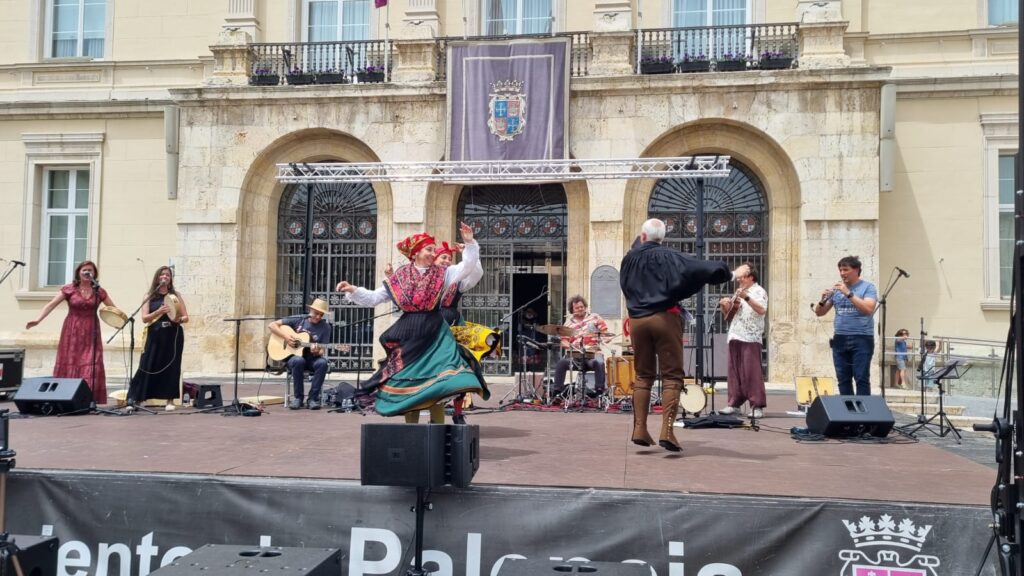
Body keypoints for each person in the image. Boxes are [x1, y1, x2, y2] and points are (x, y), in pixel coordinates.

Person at [335, 223, 489, 423]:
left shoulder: (444, 273)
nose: (433, 254)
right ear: (416, 253)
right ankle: (413, 434)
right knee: (410, 384)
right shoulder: (400, 276)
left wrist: (469, 242)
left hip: (435, 331)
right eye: (429, 250)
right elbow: (375, 298)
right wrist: (352, 290)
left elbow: (467, 267)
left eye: (434, 250)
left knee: (439, 381)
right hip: (409, 332)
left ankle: (438, 432)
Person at [619, 219, 732, 452]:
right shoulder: (667, 256)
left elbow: (625, 286)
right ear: (662, 239)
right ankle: (667, 431)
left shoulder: (628, 260)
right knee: (672, 376)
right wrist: (726, 273)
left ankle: (639, 428)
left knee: (643, 375)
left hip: (637, 321)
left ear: (642, 236)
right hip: (664, 317)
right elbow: (699, 268)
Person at [25, 260, 117, 404]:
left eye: (90, 271)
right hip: (72, 330)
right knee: (71, 360)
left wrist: (120, 322)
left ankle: (88, 399)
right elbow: (51, 304)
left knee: (92, 361)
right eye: (84, 270)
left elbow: (113, 309)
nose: (88, 273)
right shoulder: (69, 289)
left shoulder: (99, 291)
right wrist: (38, 320)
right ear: (78, 273)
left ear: (94, 274)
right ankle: (67, 398)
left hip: (91, 330)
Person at [813, 255, 878, 396]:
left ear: (856, 270)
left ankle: (863, 414)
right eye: (840, 270)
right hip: (840, 338)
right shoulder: (837, 290)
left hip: (861, 338)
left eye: (845, 270)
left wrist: (848, 293)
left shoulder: (868, 287)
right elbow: (820, 312)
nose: (842, 273)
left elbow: (868, 309)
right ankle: (848, 412)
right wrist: (822, 300)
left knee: (861, 377)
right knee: (843, 378)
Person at [127, 266, 189, 405]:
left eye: (167, 275)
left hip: (173, 335)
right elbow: (144, 318)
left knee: (172, 367)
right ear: (157, 278)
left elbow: (186, 317)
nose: (165, 277)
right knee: (147, 364)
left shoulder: (176, 296)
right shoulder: (149, 295)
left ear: (170, 279)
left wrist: (178, 319)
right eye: (162, 275)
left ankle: (170, 401)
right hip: (155, 333)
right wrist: (159, 312)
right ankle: (137, 398)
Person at [717, 262, 767, 418]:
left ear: (751, 277)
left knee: (751, 372)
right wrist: (724, 306)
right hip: (735, 335)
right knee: (734, 372)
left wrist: (747, 297)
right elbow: (730, 315)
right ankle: (734, 404)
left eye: (742, 277)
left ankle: (757, 406)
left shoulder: (759, 291)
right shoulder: (739, 292)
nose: (738, 280)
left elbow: (762, 310)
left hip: (750, 336)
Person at [269, 298, 332, 410]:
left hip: (312, 359)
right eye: (316, 313)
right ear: (310, 310)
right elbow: (272, 325)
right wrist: (287, 338)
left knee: (323, 363)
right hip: (293, 358)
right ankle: (298, 398)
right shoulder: (298, 320)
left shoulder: (325, 327)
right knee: (298, 360)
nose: (318, 317)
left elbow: (323, 350)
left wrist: (317, 351)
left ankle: (313, 399)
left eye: (321, 315)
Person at [550, 295, 609, 400]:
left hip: (593, 353)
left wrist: (606, 339)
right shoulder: (568, 323)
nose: (580, 309)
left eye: (582, 307)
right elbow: (564, 340)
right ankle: (557, 393)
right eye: (577, 308)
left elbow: (605, 333)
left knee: (599, 362)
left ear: (585, 306)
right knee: (561, 363)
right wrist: (566, 344)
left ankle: (599, 392)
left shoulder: (595, 317)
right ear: (572, 310)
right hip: (576, 356)